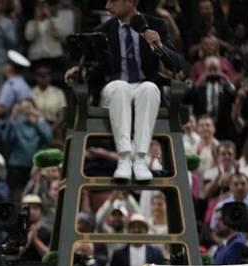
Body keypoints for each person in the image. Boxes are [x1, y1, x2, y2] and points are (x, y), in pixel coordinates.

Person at [65, 0, 181, 182]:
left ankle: (140, 159)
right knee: (121, 87)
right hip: (114, 90)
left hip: (144, 88)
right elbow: (97, 69)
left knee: (150, 88)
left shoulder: (156, 25)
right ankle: (124, 158)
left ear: (129, 2)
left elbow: (176, 64)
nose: (107, 6)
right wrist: (82, 70)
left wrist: (159, 45)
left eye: (113, 1)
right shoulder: (102, 30)